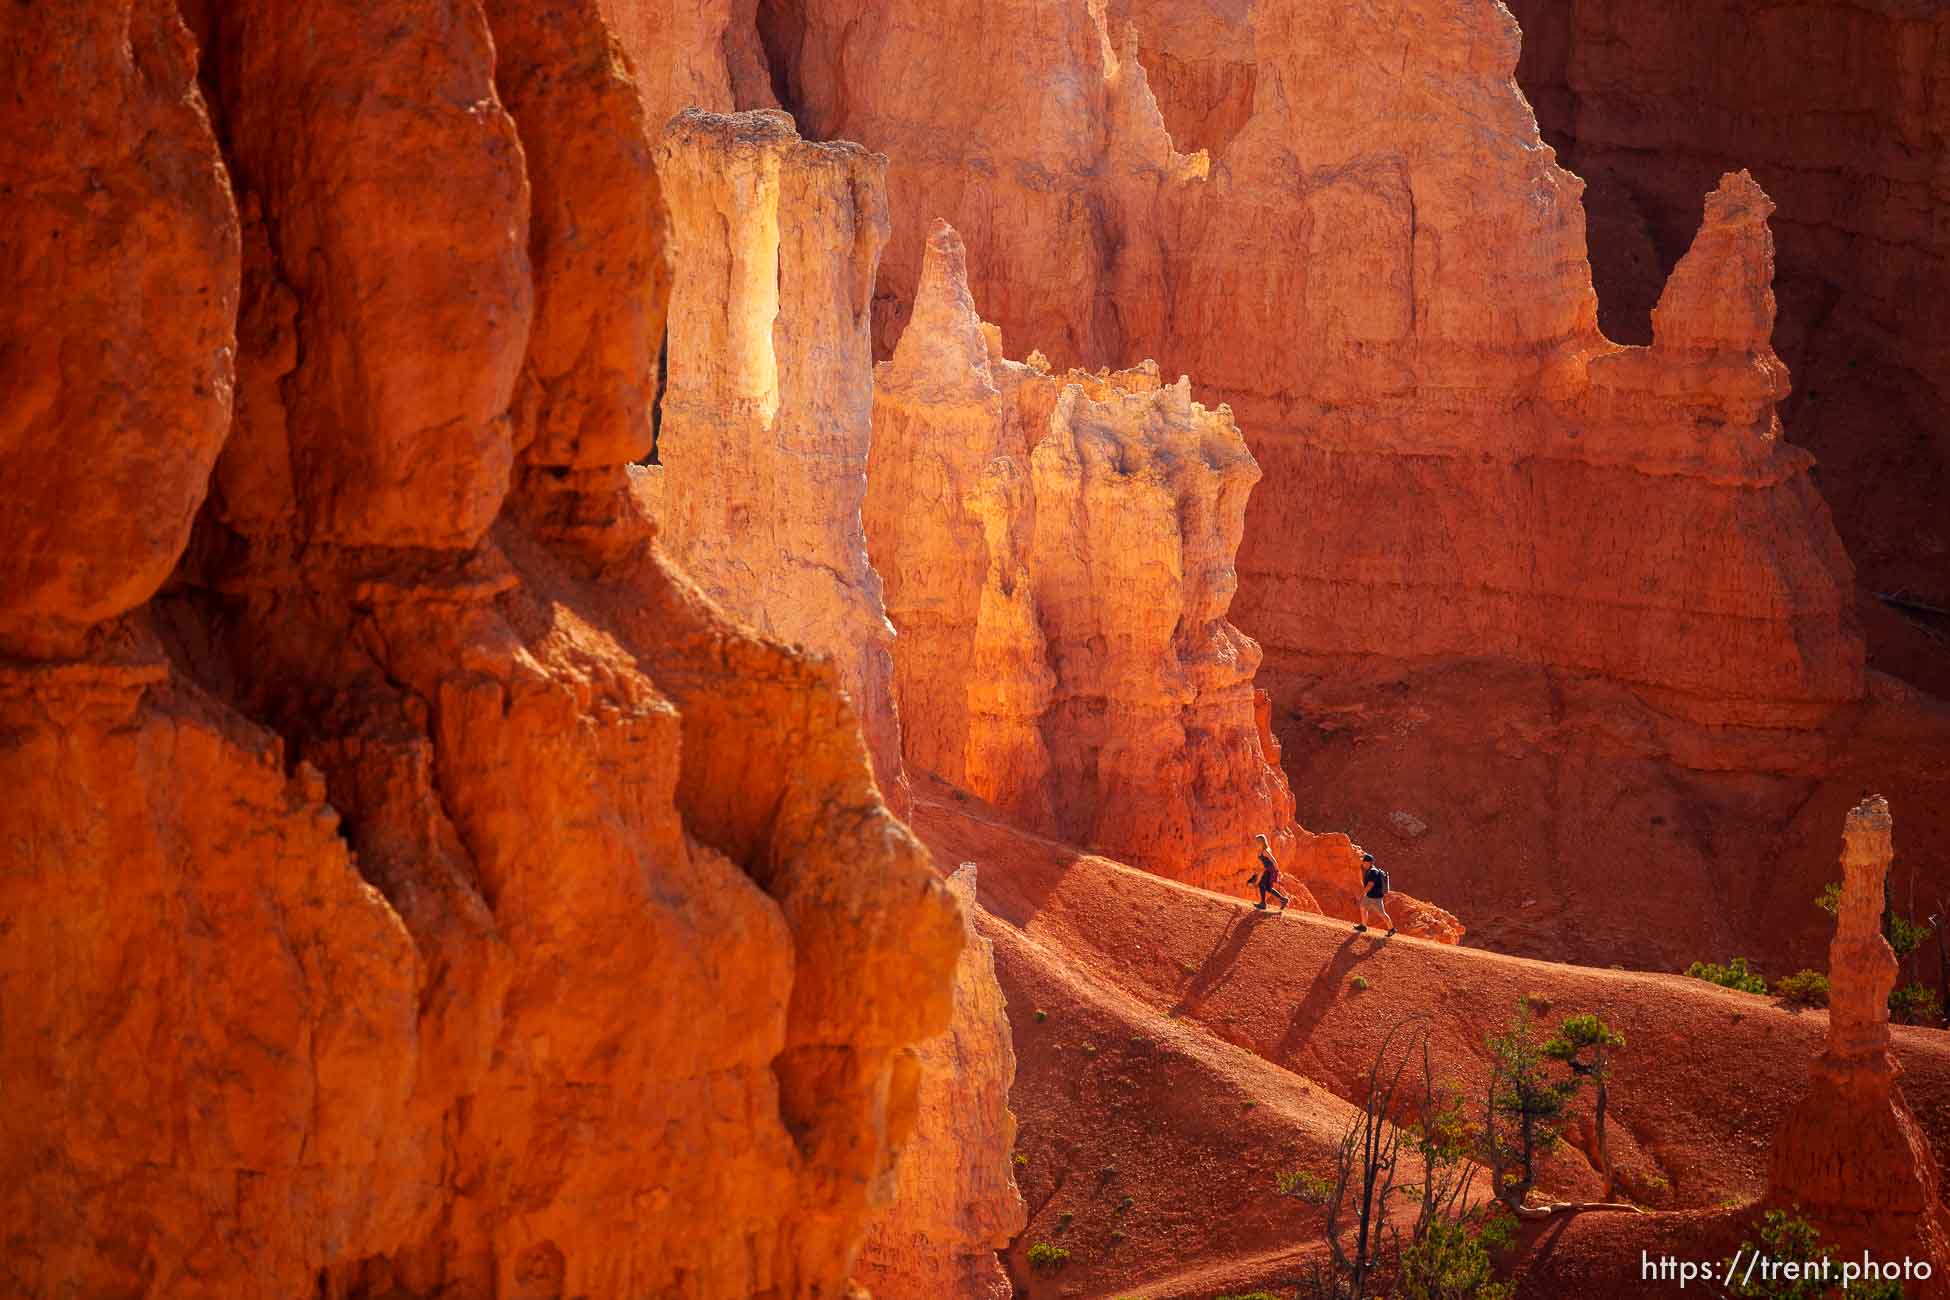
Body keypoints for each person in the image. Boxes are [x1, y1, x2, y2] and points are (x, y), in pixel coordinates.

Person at [1354, 850, 1394, 935]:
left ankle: (1391, 929)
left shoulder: (1373, 872)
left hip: (1375, 897)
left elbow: (1370, 885)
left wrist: (1362, 894)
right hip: (1369, 895)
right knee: (1363, 907)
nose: (1363, 863)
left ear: (1368, 862)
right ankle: (1363, 926)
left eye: (1364, 862)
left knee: (1382, 913)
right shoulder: (1369, 870)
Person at [1247, 833, 1289, 912]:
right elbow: (1262, 863)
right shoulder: (1260, 851)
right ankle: (1283, 899)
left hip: (1271, 870)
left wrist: (1277, 871)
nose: (1255, 843)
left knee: (1262, 884)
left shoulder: (1265, 851)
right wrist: (1256, 872)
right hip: (1267, 870)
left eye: (1257, 841)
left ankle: (1263, 904)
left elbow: (1273, 861)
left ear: (1261, 842)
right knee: (1268, 888)